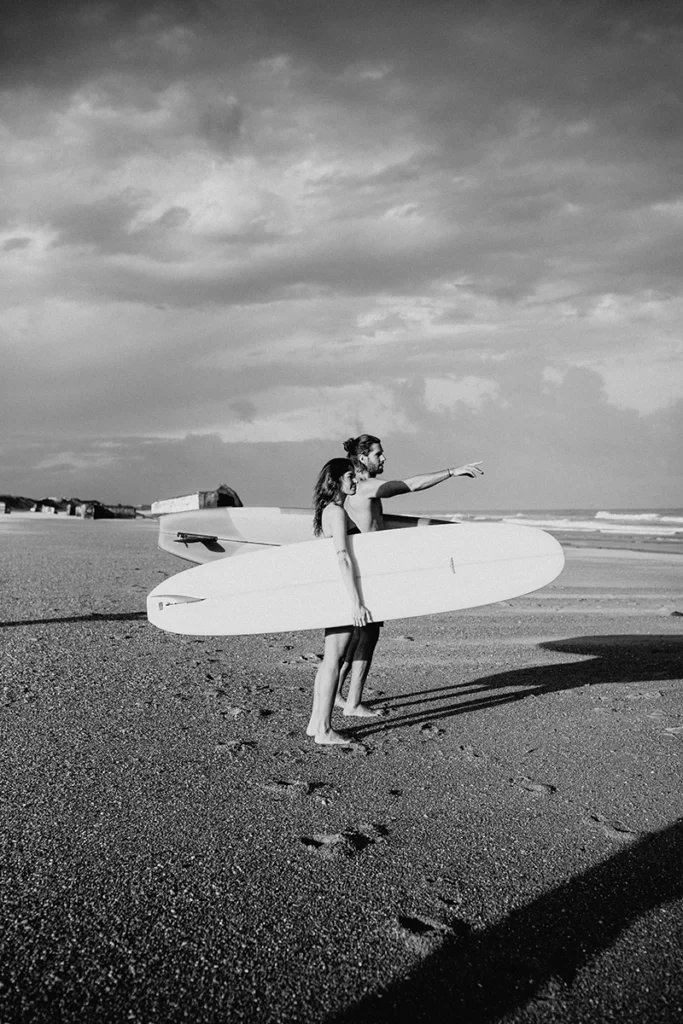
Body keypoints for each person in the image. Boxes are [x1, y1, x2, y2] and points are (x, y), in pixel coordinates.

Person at [336, 434, 484, 717]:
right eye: (378, 454)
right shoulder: (365, 487)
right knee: (367, 635)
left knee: (358, 635)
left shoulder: (348, 487)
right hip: (369, 572)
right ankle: (353, 703)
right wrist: (451, 472)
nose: (384, 458)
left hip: (362, 566)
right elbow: (409, 486)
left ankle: (337, 694)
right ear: (363, 458)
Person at [305, 458, 372, 745]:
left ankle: (315, 723)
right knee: (334, 659)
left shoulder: (325, 510)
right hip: (341, 592)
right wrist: (356, 602)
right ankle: (324, 730)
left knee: (329, 658)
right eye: (349, 477)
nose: (355, 481)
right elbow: (342, 557)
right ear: (335, 480)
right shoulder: (337, 512)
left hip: (330, 589)